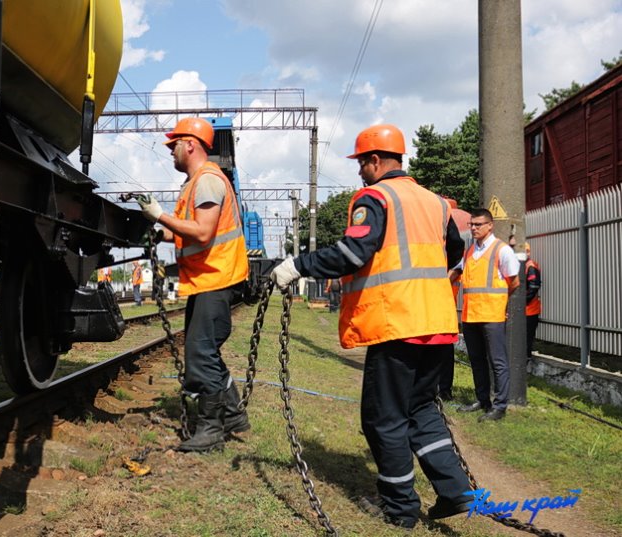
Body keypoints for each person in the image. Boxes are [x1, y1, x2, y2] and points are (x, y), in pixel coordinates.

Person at [269, 124, 472, 529]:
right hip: (437, 321)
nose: (359, 172)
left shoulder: (374, 197)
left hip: (397, 321)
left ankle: (399, 509)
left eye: (362, 163)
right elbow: (455, 249)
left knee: (384, 418)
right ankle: (456, 490)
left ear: (375, 161)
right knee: (421, 410)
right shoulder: (435, 202)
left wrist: (298, 266)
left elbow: (352, 252)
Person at [137, 117, 250, 452]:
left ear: (191, 144)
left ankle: (211, 429)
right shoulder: (196, 182)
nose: (171, 151)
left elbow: (202, 231)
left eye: (174, 145)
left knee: (200, 354)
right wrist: (160, 231)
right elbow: (186, 229)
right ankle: (233, 415)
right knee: (205, 352)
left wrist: (159, 215)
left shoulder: (208, 181)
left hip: (215, 277)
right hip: (207, 278)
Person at [450, 209, 520, 422]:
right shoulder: (470, 251)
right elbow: (457, 272)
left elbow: (514, 282)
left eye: (478, 224)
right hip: (471, 316)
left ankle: (500, 406)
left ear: (490, 226)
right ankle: (483, 400)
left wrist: (500, 302)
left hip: (492, 315)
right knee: (477, 360)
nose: (473, 228)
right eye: (472, 224)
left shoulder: (502, 250)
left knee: (498, 362)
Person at [438, 198, 472, 401]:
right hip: (439, 305)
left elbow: (456, 269)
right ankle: (438, 389)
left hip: (444, 305)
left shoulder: (454, 251)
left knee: (443, 350)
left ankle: (444, 390)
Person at [525, 242, 542, 357]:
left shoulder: (530, 266)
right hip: (526, 310)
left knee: (526, 340)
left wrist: (521, 302)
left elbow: (533, 287)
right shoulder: (525, 265)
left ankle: (525, 360)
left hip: (529, 311)